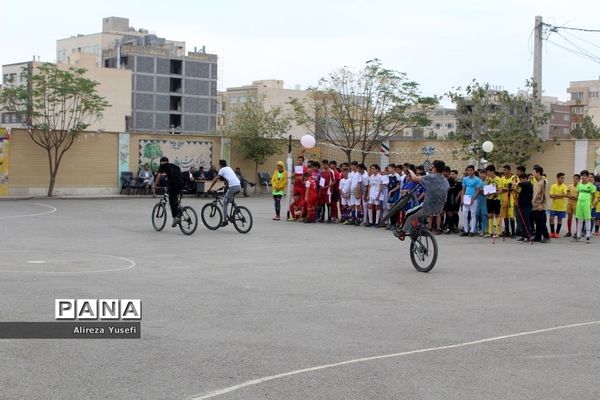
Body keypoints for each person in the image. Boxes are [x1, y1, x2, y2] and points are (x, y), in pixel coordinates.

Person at [396, 160, 449, 241]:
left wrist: (410, 171)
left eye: (432, 166)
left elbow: (415, 178)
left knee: (409, 214)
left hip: (427, 206)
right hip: (439, 208)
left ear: (434, 167)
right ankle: (416, 230)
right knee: (417, 214)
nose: (431, 167)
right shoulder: (445, 180)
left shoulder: (431, 176)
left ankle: (402, 233)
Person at [208, 159, 242, 227]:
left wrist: (209, 189)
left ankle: (225, 221)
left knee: (225, 203)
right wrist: (225, 186)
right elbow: (229, 178)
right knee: (229, 197)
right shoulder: (229, 168)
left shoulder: (222, 170)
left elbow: (215, 179)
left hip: (233, 187)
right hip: (238, 185)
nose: (218, 166)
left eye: (219, 164)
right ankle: (237, 209)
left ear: (221, 165)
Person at [153, 157, 184, 227]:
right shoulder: (175, 166)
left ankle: (175, 217)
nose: (160, 164)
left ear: (162, 162)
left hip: (173, 184)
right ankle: (179, 212)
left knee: (171, 201)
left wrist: (154, 186)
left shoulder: (162, 166)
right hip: (181, 184)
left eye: (160, 162)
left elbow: (158, 177)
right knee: (176, 200)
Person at [459, 165, 483, 237]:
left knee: (473, 215)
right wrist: (462, 198)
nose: (469, 171)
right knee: (464, 215)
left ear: (474, 170)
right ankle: (466, 230)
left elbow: (478, 190)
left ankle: (472, 231)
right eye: (468, 170)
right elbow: (463, 189)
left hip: (473, 199)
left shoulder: (477, 180)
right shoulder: (465, 179)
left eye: (471, 170)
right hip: (466, 198)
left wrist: (473, 198)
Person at [574, 170, 597, 242]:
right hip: (579, 204)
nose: (582, 177)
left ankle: (588, 235)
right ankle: (578, 235)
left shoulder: (591, 186)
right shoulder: (579, 184)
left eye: (584, 176)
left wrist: (591, 203)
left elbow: (593, 196)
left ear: (587, 177)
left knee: (587, 219)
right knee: (579, 219)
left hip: (587, 204)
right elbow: (577, 194)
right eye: (582, 176)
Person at [531, 165, 550, 243]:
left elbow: (544, 194)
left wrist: (542, 204)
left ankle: (546, 236)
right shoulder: (536, 182)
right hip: (535, 204)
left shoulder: (543, 182)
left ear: (538, 173)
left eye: (534, 172)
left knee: (541, 222)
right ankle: (538, 237)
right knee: (537, 222)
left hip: (540, 205)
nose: (533, 174)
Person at [548, 172, 568, 238]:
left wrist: (556, 195)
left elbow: (565, 195)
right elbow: (551, 195)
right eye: (561, 178)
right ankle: (552, 232)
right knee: (551, 219)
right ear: (557, 178)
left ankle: (557, 233)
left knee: (560, 220)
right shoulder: (553, 186)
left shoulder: (565, 186)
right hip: (553, 206)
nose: (563, 179)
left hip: (561, 207)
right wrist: (560, 195)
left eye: (563, 178)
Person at [515, 173, 533, 242]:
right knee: (522, 221)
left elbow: (521, 184)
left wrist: (515, 183)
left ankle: (528, 236)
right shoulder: (523, 186)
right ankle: (523, 236)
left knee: (526, 221)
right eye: (520, 179)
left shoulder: (528, 184)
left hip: (527, 206)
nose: (520, 181)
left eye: (521, 179)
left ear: (525, 178)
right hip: (521, 206)